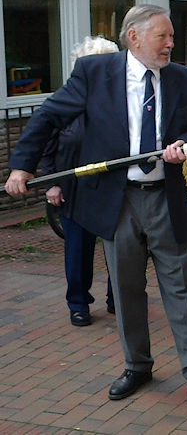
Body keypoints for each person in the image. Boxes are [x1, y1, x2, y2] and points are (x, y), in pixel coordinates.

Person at [5, 4, 187, 410]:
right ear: (134, 37)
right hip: (117, 201)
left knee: (181, 289)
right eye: (163, 36)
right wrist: (22, 165)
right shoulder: (94, 74)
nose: (172, 44)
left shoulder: (183, 81)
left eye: (173, 36)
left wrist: (184, 144)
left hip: (164, 198)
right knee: (125, 289)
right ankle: (137, 366)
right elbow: (48, 116)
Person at [41, 36, 118, 327]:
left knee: (120, 248)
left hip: (113, 187)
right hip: (73, 188)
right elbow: (47, 146)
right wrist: (52, 184)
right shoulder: (64, 103)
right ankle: (78, 303)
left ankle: (118, 299)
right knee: (77, 249)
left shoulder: (120, 102)